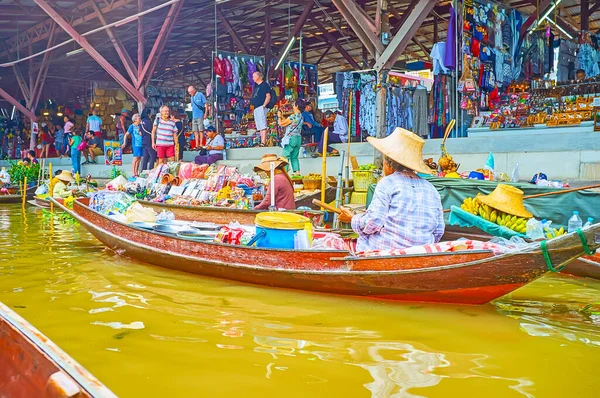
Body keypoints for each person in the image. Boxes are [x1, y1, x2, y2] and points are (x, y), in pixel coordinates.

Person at [338, 128, 445, 252]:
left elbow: (373, 223)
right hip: (421, 253)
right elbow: (438, 231)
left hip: (385, 253)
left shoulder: (387, 183)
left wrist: (352, 219)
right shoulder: (431, 189)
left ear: (388, 164)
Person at [278, 99, 305, 174]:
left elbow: (281, 124)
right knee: (294, 157)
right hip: (298, 138)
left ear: (297, 106)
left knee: (285, 157)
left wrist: (279, 116)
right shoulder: (301, 116)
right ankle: (297, 175)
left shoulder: (293, 116)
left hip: (291, 139)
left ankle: (284, 175)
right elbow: (288, 123)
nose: (292, 106)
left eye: (293, 105)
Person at [251, 71, 271, 145]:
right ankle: (261, 141)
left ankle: (263, 142)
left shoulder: (264, 85)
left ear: (258, 76)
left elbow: (268, 96)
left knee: (262, 124)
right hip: (256, 107)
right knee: (259, 125)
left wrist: (264, 105)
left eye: (254, 76)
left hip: (261, 107)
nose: (253, 78)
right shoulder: (256, 86)